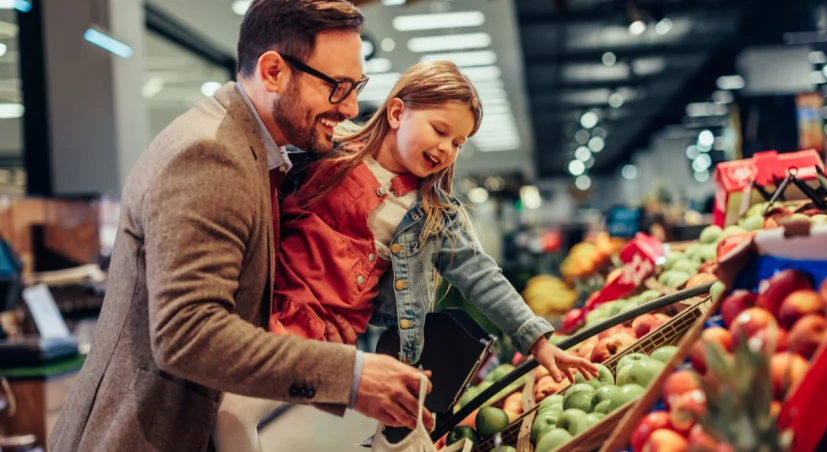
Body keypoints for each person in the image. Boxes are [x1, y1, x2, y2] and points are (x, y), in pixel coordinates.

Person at [49, 2, 433, 451]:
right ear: (273, 72)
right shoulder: (211, 156)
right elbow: (187, 333)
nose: (350, 107)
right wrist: (349, 376)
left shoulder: (255, 155)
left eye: (356, 87)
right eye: (337, 87)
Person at [212, 60, 598, 452]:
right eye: (440, 130)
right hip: (257, 306)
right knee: (220, 407)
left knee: (233, 412)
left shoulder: (434, 215)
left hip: (317, 335)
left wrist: (537, 340)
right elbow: (258, 181)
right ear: (397, 113)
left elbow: (481, 275)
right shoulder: (326, 154)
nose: (447, 148)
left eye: (458, 143)